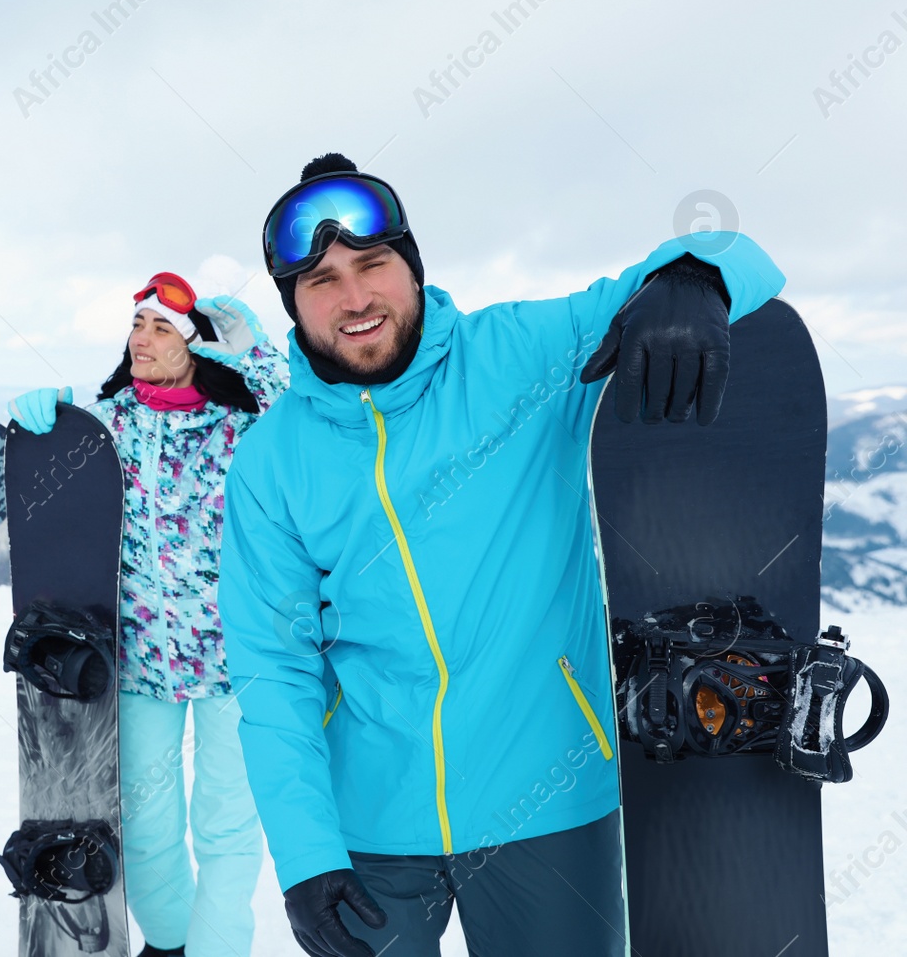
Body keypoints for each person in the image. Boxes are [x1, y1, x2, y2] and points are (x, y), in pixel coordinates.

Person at [217, 153, 786, 957]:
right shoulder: (272, 459)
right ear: (293, 306)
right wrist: (307, 855)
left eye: (372, 265)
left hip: (546, 797)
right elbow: (273, 669)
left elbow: (748, 256)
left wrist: (696, 278)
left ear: (411, 267)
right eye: (321, 282)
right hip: (370, 825)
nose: (353, 299)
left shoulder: (520, 355)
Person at [7, 272, 289, 957]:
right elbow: (47, 475)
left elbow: (296, 405)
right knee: (146, 824)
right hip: (140, 662)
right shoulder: (113, 426)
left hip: (232, 660)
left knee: (225, 828)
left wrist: (253, 351)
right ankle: (168, 942)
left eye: (162, 328)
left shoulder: (240, 425)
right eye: (137, 325)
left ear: (198, 348)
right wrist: (43, 423)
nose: (143, 338)